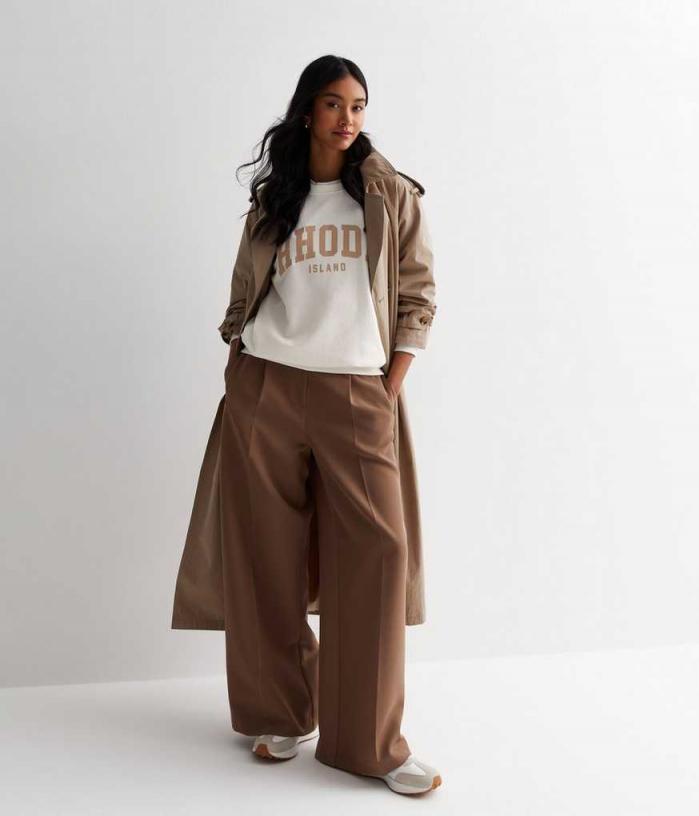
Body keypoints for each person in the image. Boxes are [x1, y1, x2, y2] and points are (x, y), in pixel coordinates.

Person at [217, 55, 439, 795]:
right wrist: (238, 359)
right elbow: (245, 290)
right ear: (308, 112)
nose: (349, 118)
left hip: (356, 391)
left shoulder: (387, 194)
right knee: (267, 553)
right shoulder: (274, 201)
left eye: (359, 105)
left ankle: (368, 743)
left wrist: (391, 380)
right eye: (335, 104)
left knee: (378, 552)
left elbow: (418, 291)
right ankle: (281, 712)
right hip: (268, 386)